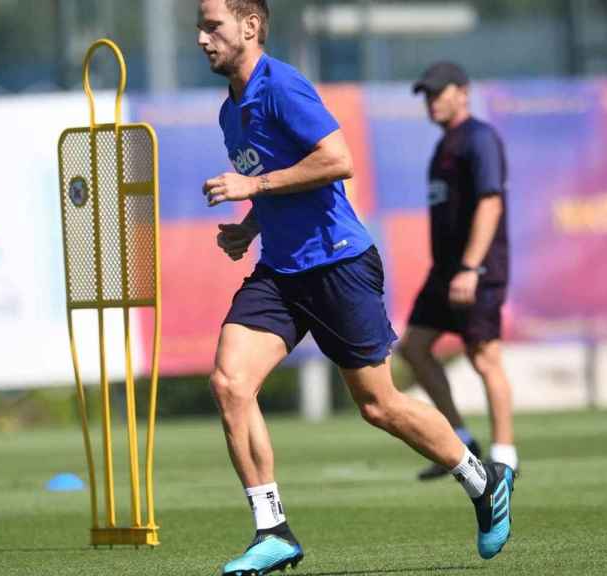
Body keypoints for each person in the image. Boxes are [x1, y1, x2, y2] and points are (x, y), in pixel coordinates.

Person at [196, 2, 515, 574]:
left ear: (250, 26)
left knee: (378, 404)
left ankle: (480, 476)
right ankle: (273, 528)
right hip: (281, 271)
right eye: (199, 26)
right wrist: (250, 225)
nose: (202, 38)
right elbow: (278, 186)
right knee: (229, 382)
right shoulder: (230, 112)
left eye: (212, 25)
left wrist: (253, 184)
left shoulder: (283, 86)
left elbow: (337, 160)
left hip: (338, 264)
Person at [398, 61, 519, 482]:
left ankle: (505, 457)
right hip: (445, 271)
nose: (431, 101)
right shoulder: (444, 145)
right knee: (414, 347)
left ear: (463, 92)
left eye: (438, 92)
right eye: (427, 95)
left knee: (484, 357)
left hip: (476, 269)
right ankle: (461, 439)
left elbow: (491, 202)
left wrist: (470, 268)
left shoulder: (480, 138)